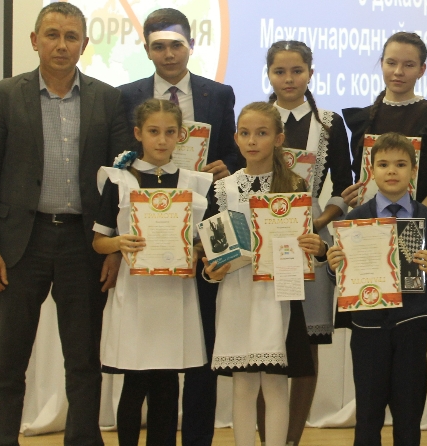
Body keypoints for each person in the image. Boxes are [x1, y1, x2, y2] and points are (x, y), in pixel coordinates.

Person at [0, 3, 131, 445]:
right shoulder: (5, 94)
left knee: (83, 362)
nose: (62, 45)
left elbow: (119, 184)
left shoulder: (107, 98)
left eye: (71, 36)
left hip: (85, 245)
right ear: (35, 40)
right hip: (19, 244)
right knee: (7, 362)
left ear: (84, 43)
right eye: (52, 35)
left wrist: (113, 249)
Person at [117, 9, 244, 445]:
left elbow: (235, 151)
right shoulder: (125, 95)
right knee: (151, 357)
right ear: (147, 49)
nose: (168, 54)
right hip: (147, 241)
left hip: (199, 235)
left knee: (200, 347)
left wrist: (227, 165)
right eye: (159, 46)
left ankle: (196, 439)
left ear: (191, 45)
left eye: (176, 45)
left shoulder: (218, 93)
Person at [92, 99, 211, 446]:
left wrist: (196, 252)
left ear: (181, 136)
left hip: (175, 294)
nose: (161, 140)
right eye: (154, 131)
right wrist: (119, 244)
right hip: (136, 295)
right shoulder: (118, 179)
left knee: (167, 384)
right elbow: (99, 241)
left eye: (169, 132)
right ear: (138, 133)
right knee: (134, 381)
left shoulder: (194, 182)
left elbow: (202, 242)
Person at [252, 40, 353, 446]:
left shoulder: (329, 123)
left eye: (297, 71)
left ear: (310, 72)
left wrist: (318, 221)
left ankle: (292, 439)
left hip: (310, 240)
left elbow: (343, 187)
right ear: (269, 74)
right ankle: (267, 439)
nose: (289, 79)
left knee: (308, 343)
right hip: (263, 238)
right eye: (280, 71)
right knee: (266, 342)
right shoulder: (257, 118)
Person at [203, 102, 322, 446]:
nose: (252, 141)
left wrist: (314, 247)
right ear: (236, 138)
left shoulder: (294, 184)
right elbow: (213, 250)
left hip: (279, 295)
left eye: (262, 133)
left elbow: (304, 242)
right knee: (242, 384)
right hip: (237, 293)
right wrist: (212, 272)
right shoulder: (223, 189)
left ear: (278, 139)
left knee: (274, 383)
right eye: (245, 133)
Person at [326, 132, 427, 446]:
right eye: (383, 164)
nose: (392, 171)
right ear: (371, 169)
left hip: (412, 323)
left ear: (413, 170)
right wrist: (333, 265)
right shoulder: (355, 219)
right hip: (368, 325)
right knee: (368, 410)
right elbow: (341, 276)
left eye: (400, 164)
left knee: (409, 410)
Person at [341, 32, 427, 212]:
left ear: (422, 70)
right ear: (382, 63)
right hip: (370, 222)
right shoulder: (363, 119)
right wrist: (356, 199)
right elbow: (361, 180)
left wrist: (414, 217)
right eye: (391, 63)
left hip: (417, 221)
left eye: (409, 65)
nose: (398, 71)